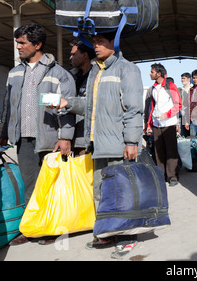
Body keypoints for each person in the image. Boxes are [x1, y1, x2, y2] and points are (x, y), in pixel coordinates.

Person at [56, 32, 144, 258]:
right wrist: (69, 103)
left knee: (121, 192)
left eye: (101, 42)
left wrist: (132, 141)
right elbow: (89, 105)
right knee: (101, 192)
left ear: (114, 43)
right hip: (98, 143)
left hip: (118, 143)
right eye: (94, 43)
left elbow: (134, 108)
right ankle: (107, 232)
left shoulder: (127, 69)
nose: (96, 46)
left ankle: (126, 237)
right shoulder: (96, 70)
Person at [0, 23, 76, 245]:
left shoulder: (58, 73)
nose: (18, 47)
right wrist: (2, 132)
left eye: (22, 43)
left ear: (37, 44)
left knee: (50, 186)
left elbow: (68, 109)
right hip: (24, 140)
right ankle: (32, 229)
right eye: (17, 43)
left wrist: (65, 136)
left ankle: (52, 228)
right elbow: (7, 106)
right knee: (30, 185)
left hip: (50, 139)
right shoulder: (14, 73)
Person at [146, 63, 182, 186]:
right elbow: (152, 107)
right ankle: (161, 176)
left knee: (171, 150)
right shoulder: (153, 88)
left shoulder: (170, 85)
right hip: (156, 124)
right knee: (158, 151)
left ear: (159, 73)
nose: (150, 74)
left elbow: (178, 105)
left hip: (169, 123)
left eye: (152, 72)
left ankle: (173, 177)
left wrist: (165, 115)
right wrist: (149, 124)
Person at [69, 40, 96, 155]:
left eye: (74, 54)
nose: (70, 58)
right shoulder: (71, 77)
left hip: (87, 139)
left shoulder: (97, 76)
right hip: (72, 137)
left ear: (85, 55)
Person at [179, 72, 191, 137]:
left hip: (191, 115)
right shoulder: (181, 90)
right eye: (182, 78)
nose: (182, 80)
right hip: (183, 115)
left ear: (189, 79)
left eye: (184, 78)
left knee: (193, 135)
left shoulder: (192, 89)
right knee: (184, 135)